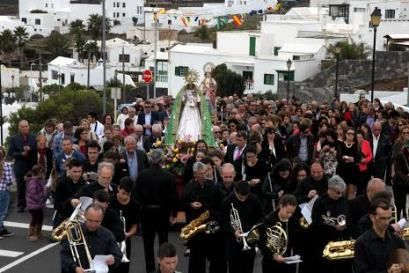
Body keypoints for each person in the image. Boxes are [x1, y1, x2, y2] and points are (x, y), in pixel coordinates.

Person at [134, 149, 178, 273]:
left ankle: (150, 269)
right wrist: (174, 214)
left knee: (147, 244)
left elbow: (136, 196)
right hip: (162, 213)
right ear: (162, 160)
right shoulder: (168, 176)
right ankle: (162, 269)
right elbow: (173, 197)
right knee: (163, 242)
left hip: (146, 213)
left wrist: (137, 216)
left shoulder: (142, 174)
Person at [60, 203, 122, 273]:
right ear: (85, 215)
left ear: (102, 218)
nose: (93, 225)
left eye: (97, 221)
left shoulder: (108, 235)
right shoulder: (74, 232)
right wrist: (74, 267)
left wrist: (113, 259)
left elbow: (118, 256)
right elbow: (62, 255)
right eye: (90, 220)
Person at [311, 175, 351, 273]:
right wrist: (333, 228)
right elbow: (316, 223)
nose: (340, 195)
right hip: (325, 243)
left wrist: (346, 225)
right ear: (330, 189)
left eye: (342, 192)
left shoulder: (343, 201)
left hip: (341, 242)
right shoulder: (320, 202)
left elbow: (350, 218)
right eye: (338, 193)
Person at [354, 197, 406, 273]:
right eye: (382, 218)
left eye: (389, 218)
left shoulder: (397, 241)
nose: (386, 222)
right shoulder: (361, 243)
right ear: (372, 217)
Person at [221, 180, 263, 273]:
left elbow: (260, 218)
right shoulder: (227, 201)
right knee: (234, 269)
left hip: (250, 239)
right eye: (240, 197)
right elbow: (223, 222)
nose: (243, 199)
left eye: (245, 197)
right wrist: (233, 231)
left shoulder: (254, 199)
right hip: (233, 243)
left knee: (248, 268)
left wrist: (255, 228)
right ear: (235, 191)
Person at [258, 194, 300, 273]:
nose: (290, 215)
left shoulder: (294, 222)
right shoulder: (268, 220)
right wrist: (274, 255)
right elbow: (261, 243)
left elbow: (297, 242)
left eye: (292, 212)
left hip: (288, 262)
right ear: (281, 206)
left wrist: (296, 255)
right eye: (287, 212)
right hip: (270, 263)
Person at [109, 177, 141, 273]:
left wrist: (127, 235)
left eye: (128, 194)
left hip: (125, 240)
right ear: (118, 188)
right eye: (123, 193)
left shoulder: (136, 205)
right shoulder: (110, 201)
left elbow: (134, 227)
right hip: (109, 239)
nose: (125, 197)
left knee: (124, 268)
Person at [8, 120, 37, 212]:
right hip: (20, 166)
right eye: (23, 127)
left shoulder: (34, 137)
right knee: (21, 187)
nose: (25, 128)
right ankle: (21, 205)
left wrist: (30, 150)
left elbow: (37, 150)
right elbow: (10, 152)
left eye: (26, 126)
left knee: (32, 187)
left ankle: (32, 205)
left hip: (31, 166)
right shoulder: (14, 139)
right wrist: (21, 154)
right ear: (19, 128)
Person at [54, 159, 86, 228]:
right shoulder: (61, 183)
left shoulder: (84, 183)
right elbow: (56, 205)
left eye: (79, 171)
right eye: (74, 171)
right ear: (69, 170)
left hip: (79, 220)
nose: (77, 174)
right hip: (64, 218)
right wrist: (70, 202)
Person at [26, 165, 47, 241]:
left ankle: (38, 232)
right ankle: (31, 234)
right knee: (35, 219)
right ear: (38, 173)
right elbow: (33, 194)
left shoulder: (39, 180)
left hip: (38, 204)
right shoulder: (33, 182)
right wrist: (42, 195)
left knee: (40, 218)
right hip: (33, 205)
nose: (44, 175)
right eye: (42, 173)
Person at [0, 146, 15, 239]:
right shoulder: (7, 165)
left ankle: (1, 229)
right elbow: (9, 180)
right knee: (2, 212)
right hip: (3, 191)